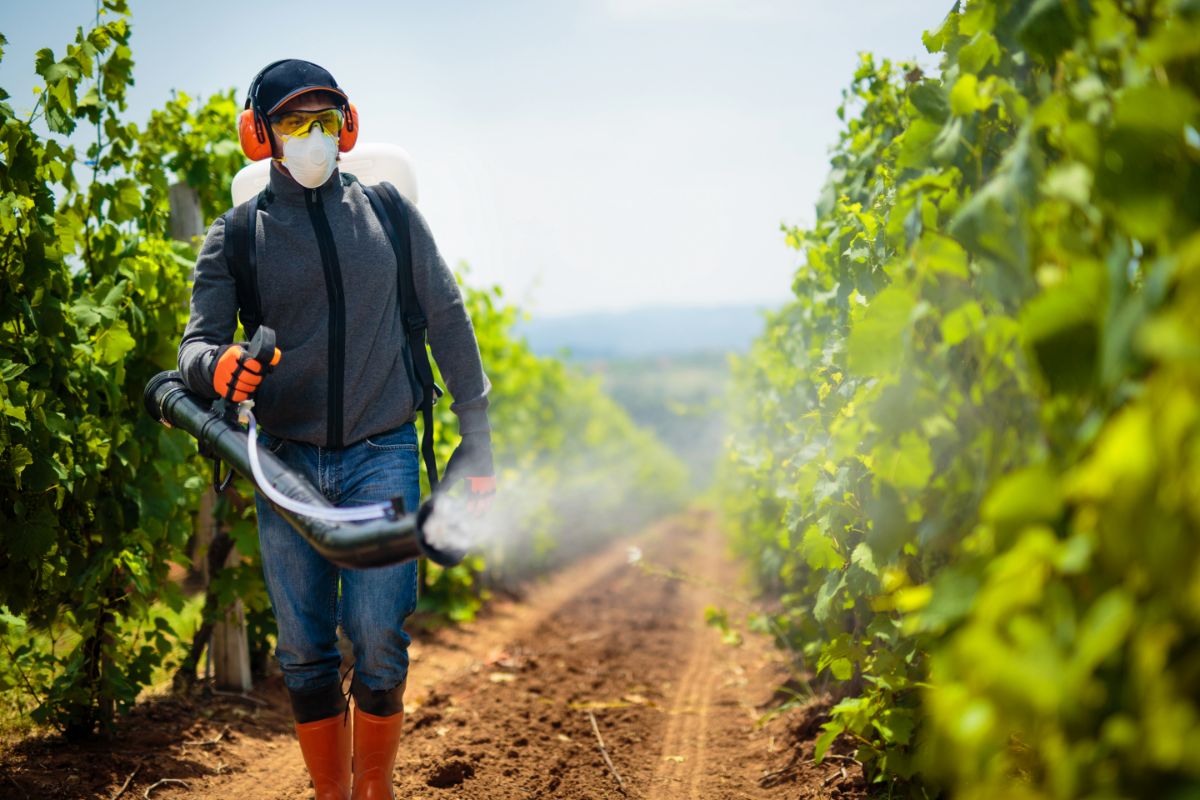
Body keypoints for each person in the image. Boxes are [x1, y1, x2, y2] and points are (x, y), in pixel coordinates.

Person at [177, 59, 495, 800]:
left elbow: (448, 318)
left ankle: (375, 789)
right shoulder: (237, 237)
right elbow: (194, 349)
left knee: (381, 633)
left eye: (326, 119)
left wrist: (475, 437)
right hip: (285, 466)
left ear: (346, 127)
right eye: (295, 121)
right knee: (304, 650)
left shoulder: (388, 214)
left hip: (381, 455)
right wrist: (216, 369)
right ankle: (332, 793)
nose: (314, 136)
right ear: (262, 136)